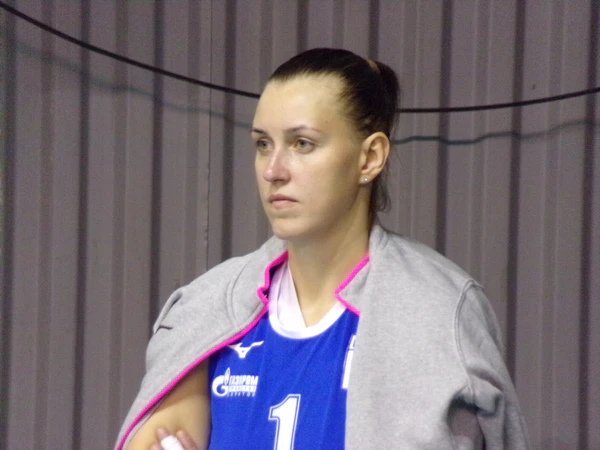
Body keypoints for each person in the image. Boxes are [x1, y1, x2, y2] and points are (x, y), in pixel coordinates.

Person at [116, 48, 530, 450]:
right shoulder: (207, 307)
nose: (273, 171)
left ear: (370, 158)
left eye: (302, 143)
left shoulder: (438, 312)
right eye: (263, 144)